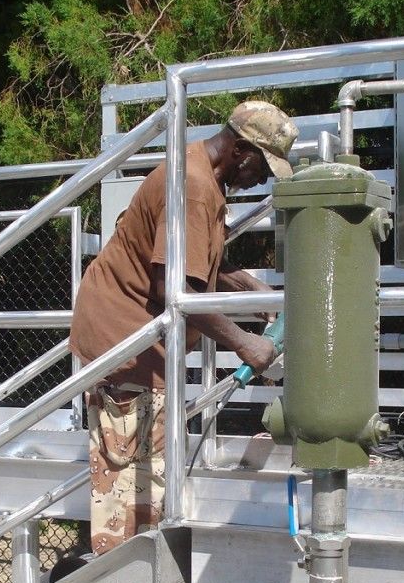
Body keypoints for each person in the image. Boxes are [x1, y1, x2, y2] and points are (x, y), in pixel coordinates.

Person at [69, 100, 299, 555]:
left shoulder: (202, 173)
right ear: (240, 150)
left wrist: (247, 288)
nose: (264, 179)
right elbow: (177, 291)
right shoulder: (194, 187)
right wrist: (243, 342)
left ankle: (140, 579)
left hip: (138, 333)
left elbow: (195, 262)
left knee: (149, 475)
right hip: (126, 337)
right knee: (132, 492)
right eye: (264, 167)